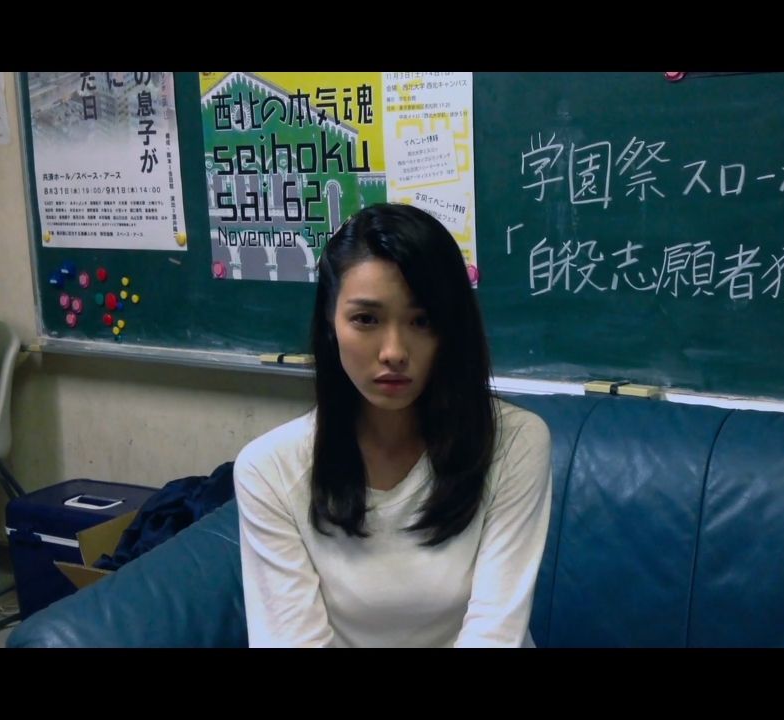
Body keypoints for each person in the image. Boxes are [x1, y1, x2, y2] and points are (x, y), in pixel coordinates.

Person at [235, 203, 552, 647]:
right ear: (330, 322)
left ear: (450, 328)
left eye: (421, 321)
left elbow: (494, 634)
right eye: (366, 319)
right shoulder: (268, 470)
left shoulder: (514, 443)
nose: (394, 352)